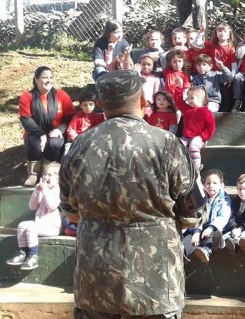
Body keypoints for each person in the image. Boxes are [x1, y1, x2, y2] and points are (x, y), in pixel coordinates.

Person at [59, 70, 199, 318]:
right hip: (156, 285)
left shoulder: (78, 146)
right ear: (144, 102)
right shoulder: (167, 143)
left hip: (96, 283)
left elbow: (71, 214)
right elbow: (192, 212)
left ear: (101, 105)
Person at [19, 66, 76, 187]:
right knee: (33, 142)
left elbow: (70, 116)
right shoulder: (27, 96)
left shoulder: (61, 95)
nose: (49, 80)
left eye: (51, 77)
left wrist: (60, 129)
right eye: (45, 77)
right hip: (35, 131)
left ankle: (47, 171)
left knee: (55, 143)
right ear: (36, 79)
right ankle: (33, 174)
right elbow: (25, 119)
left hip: (56, 131)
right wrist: (40, 134)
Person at [6, 162, 62, 271]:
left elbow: (52, 206)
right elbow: (32, 206)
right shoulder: (42, 190)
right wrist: (36, 191)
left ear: (58, 179)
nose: (46, 177)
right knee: (22, 225)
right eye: (45, 174)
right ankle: (22, 252)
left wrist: (45, 190)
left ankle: (33, 256)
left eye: (50, 175)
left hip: (52, 227)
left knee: (31, 227)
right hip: (39, 225)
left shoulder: (58, 190)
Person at [183, 169, 231, 264]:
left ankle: (206, 250)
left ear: (221, 186)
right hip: (200, 227)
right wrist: (197, 231)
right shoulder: (201, 198)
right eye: (208, 183)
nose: (211, 186)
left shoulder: (224, 199)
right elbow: (197, 215)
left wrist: (210, 227)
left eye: (214, 183)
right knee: (190, 237)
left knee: (213, 235)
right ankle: (182, 254)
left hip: (215, 229)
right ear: (204, 185)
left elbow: (223, 217)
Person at [174, 86, 216, 173]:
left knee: (193, 146)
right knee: (176, 144)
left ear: (201, 98)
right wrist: (179, 88)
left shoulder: (206, 112)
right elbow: (178, 100)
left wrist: (202, 137)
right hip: (186, 137)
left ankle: (196, 170)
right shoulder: (187, 109)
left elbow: (210, 128)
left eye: (192, 98)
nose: (189, 100)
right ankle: (179, 168)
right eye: (188, 98)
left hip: (199, 138)